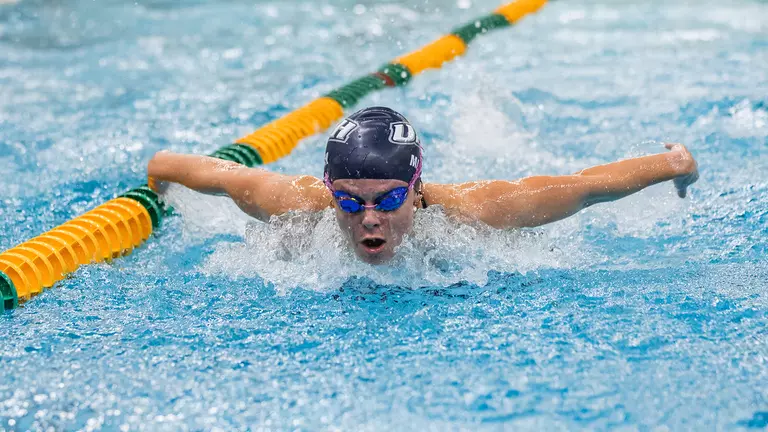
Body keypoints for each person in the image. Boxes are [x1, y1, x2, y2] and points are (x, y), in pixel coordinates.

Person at [147, 106, 699, 264]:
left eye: (388, 199)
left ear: (417, 188)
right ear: (327, 187)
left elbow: (585, 187)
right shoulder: (292, 203)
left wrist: (675, 164)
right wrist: (155, 185)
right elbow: (201, 171)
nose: (369, 218)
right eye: (348, 200)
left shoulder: (476, 210)